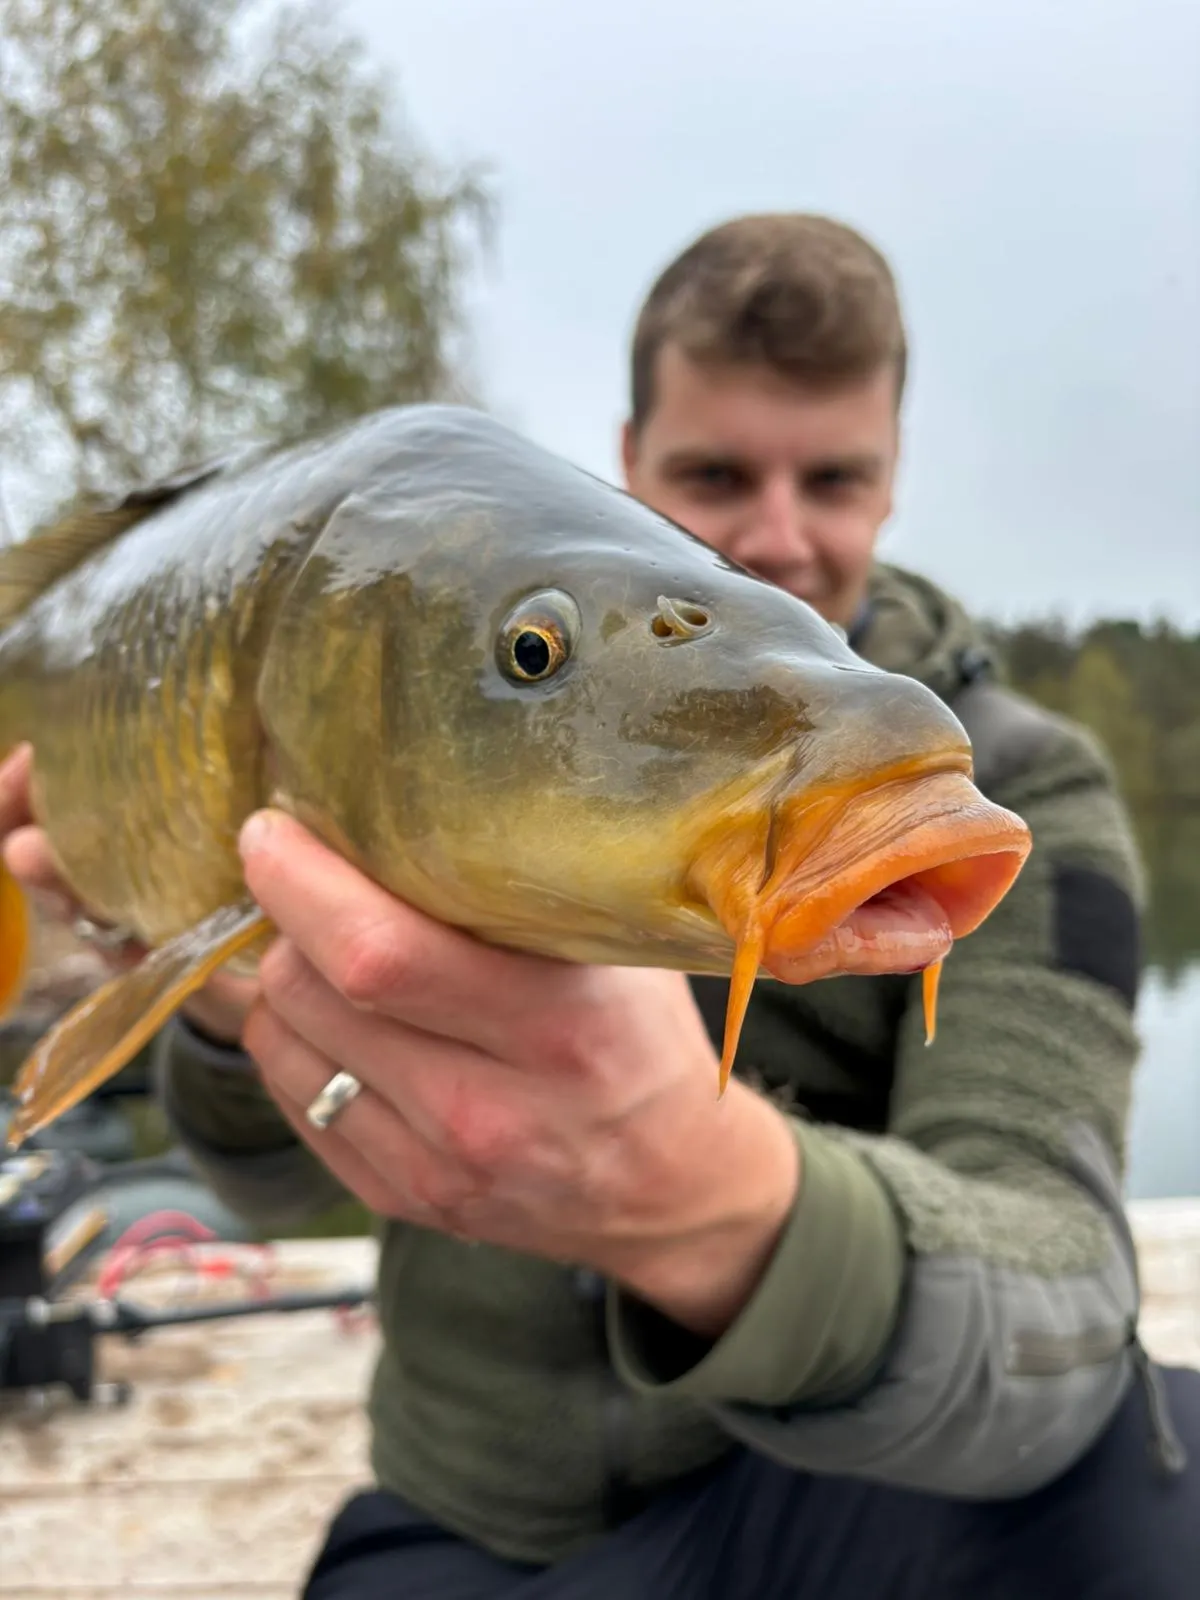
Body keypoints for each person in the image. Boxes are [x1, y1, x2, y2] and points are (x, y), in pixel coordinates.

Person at [3, 212, 1197, 1599]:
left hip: (847, 1504)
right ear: (625, 469)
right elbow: (258, 1183)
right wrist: (225, 1011)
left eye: (834, 480)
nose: (776, 537)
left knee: (1160, 1480)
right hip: (473, 1525)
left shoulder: (1018, 788)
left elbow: (1060, 1310)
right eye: (712, 474)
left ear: (890, 485)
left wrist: (708, 1201)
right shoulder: (393, 701)